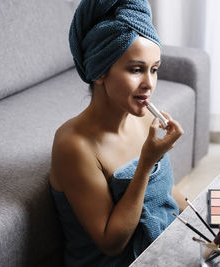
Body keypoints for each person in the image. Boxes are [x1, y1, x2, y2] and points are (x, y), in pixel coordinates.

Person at [48, 0, 187, 266]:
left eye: (154, 69)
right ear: (100, 71)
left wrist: (202, 218)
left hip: (160, 249)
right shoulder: (74, 145)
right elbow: (111, 243)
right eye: (136, 69)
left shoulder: (146, 118)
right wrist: (146, 164)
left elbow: (163, 190)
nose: (149, 83)